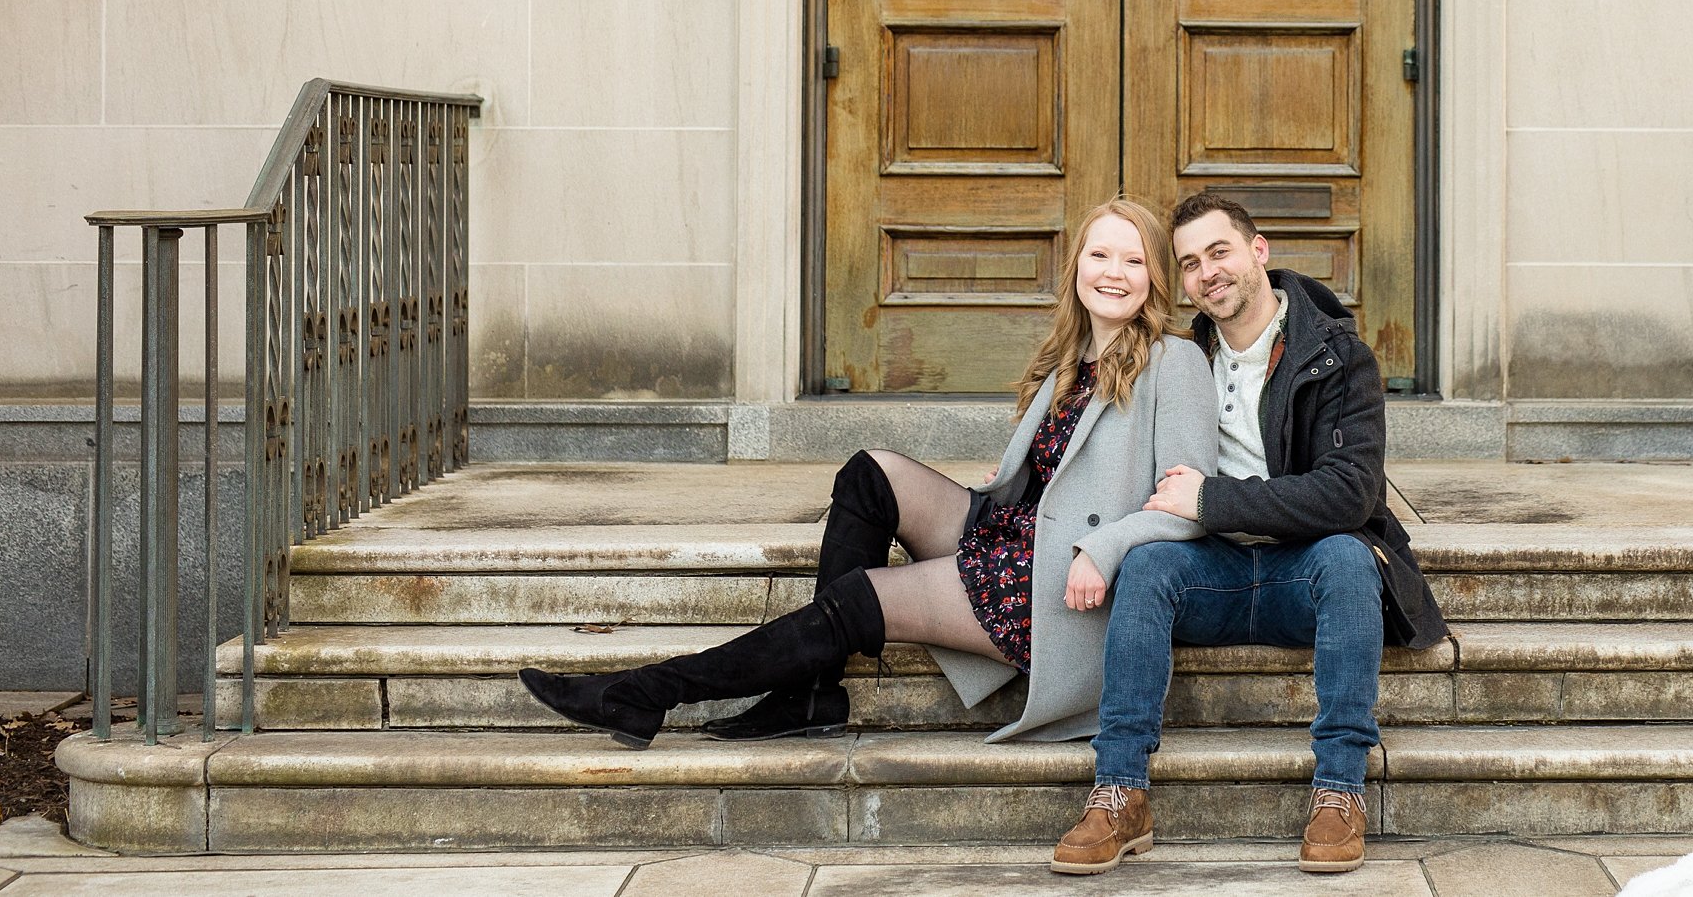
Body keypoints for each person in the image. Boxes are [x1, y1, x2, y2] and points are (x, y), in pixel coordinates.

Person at [518, 198, 1219, 749]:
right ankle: (814, 691)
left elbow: (1190, 503)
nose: (1113, 271)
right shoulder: (1074, 355)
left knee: (859, 598)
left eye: (1132, 260)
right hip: (1021, 539)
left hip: (1066, 590)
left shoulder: (1175, 360)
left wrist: (1102, 546)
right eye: (1100, 253)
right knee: (870, 473)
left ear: (1156, 276)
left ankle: (646, 691)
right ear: (1077, 266)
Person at [1049, 192, 1447, 878]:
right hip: (1214, 572)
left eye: (1220, 251)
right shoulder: (1178, 355)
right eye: (1190, 262)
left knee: (1351, 559)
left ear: (1258, 249)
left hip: (1307, 571)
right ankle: (1119, 793)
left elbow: (1349, 492)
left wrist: (1212, 497)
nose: (1208, 272)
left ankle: (1340, 788)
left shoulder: (1337, 354)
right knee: (1147, 568)